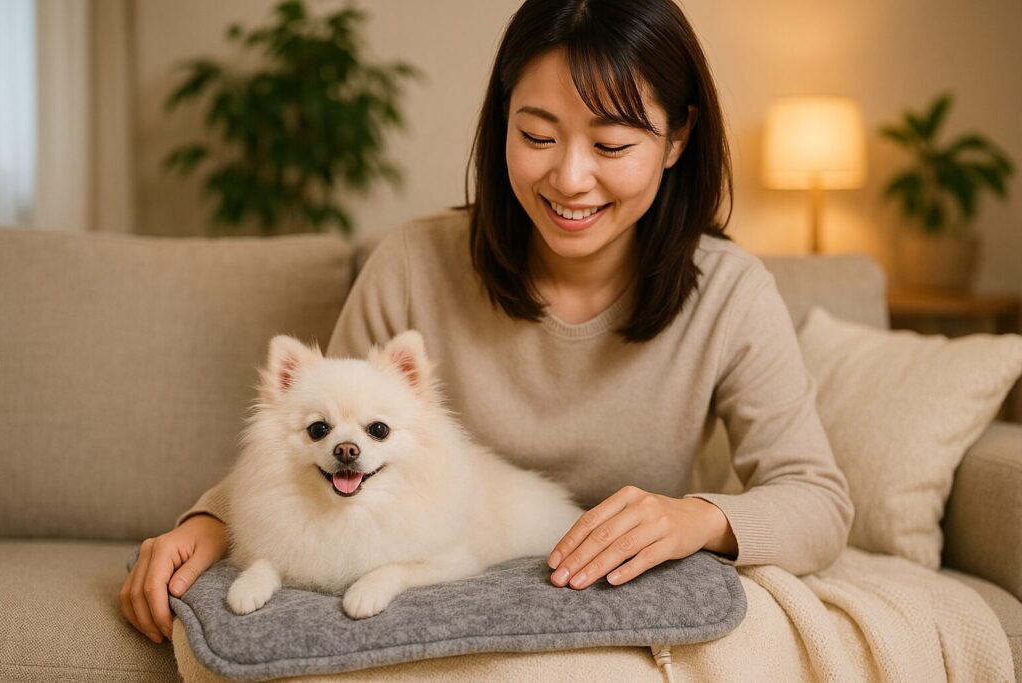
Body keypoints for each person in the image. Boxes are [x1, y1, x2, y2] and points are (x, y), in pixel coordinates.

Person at [121, 0, 854, 645]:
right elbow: (316, 444)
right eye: (536, 135)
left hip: (617, 616)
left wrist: (696, 519)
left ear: (676, 139)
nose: (569, 178)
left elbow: (817, 500)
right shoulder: (412, 263)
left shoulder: (729, 293)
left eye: (611, 145)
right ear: (502, 121)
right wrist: (208, 523)